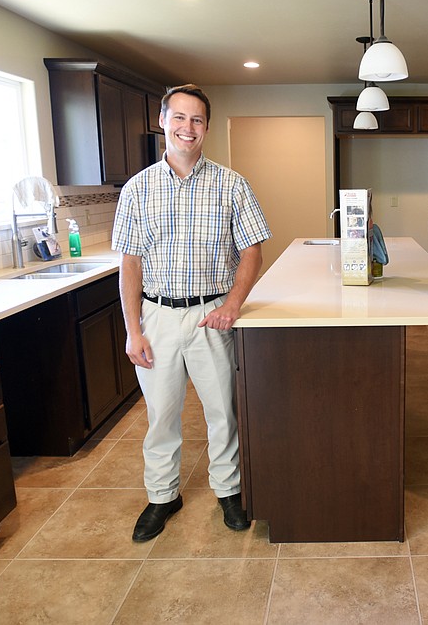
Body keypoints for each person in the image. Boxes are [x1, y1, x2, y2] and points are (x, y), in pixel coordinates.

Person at [112, 83, 271, 542]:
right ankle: (163, 496)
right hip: (156, 317)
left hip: (210, 316)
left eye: (197, 120)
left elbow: (252, 251)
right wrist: (132, 331)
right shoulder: (137, 189)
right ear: (162, 121)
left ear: (205, 128)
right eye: (179, 117)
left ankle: (229, 490)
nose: (188, 127)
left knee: (224, 410)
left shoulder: (231, 183)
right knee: (162, 413)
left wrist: (232, 305)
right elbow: (130, 264)